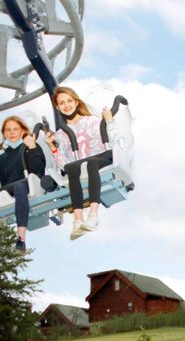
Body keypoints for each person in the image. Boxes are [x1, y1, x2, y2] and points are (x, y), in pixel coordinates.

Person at [44, 86, 116, 240]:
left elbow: (113, 138)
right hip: (79, 164)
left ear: (76, 102)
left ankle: (93, 215)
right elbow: (63, 164)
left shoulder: (92, 121)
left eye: (69, 101)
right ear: (58, 107)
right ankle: (78, 220)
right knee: (71, 168)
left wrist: (109, 120)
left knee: (91, 164)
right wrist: (52, 147)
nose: (67, 105)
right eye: (62, 103)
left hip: (102, 157)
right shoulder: (61, 134)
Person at [0, 115, 45, 264]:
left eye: (15, 129)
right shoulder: (1, 158)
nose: (12, 133)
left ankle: (21, 240)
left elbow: (38, 170)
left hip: (29, 183)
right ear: (4, 134)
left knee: (19, 186)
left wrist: (32, 147)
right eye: (8, 130)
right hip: (8, 189)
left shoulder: (29, 146)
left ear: (22, 131)